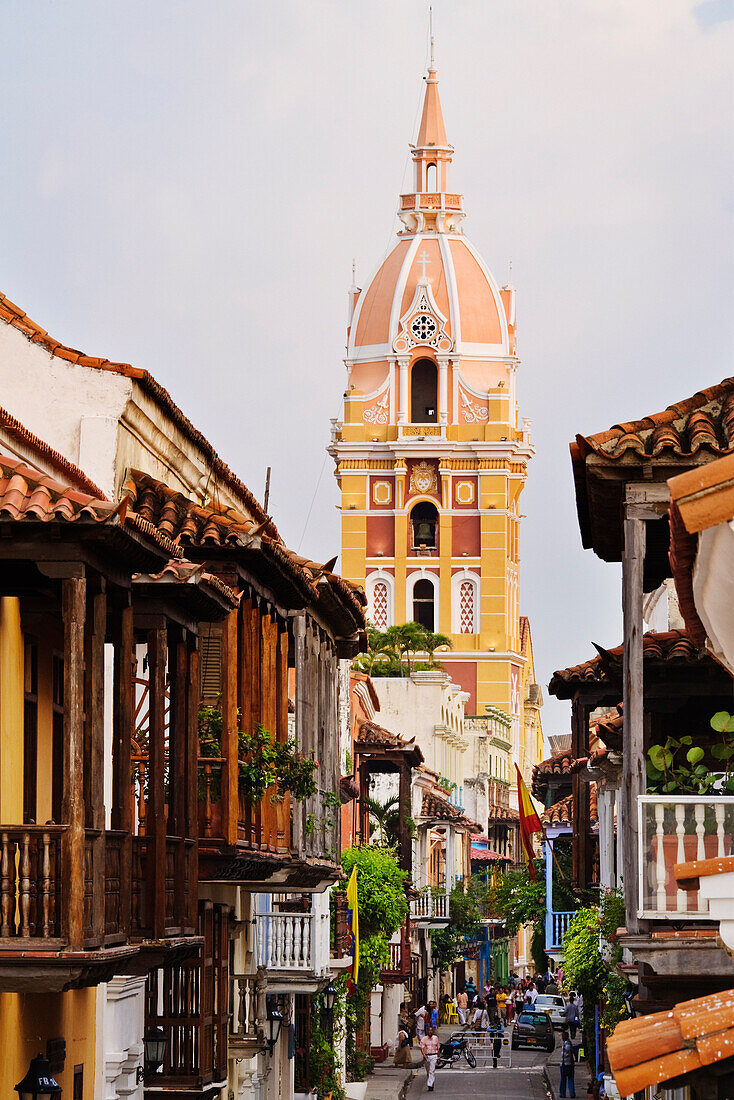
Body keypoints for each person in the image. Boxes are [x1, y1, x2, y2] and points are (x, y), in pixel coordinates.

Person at [420, 1025, 440, 1092]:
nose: (430, 1032)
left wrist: (438, 1057)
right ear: (427, 1031)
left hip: (434, 1056)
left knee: (432, 1071)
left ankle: (430, 1085)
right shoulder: (424, 1039)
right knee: (428, 1071)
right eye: (429, 1030)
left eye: (431, 1030)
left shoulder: (436, 1038)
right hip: (427, 1056)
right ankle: (431, 1082)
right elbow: (422, 1048)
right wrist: (424, 1055)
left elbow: (438, 1048)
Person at [560, 1029, 576, 1098]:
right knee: (570, 1079)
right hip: (568, 1064)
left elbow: (569, 1052)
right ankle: (572, 1093)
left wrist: (571, 1061)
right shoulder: (567, 1043)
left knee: (563, 1080)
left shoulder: (567, 1044)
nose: (562, 1037)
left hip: (566, 1064)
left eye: (563, 1036)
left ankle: (563, 1093)